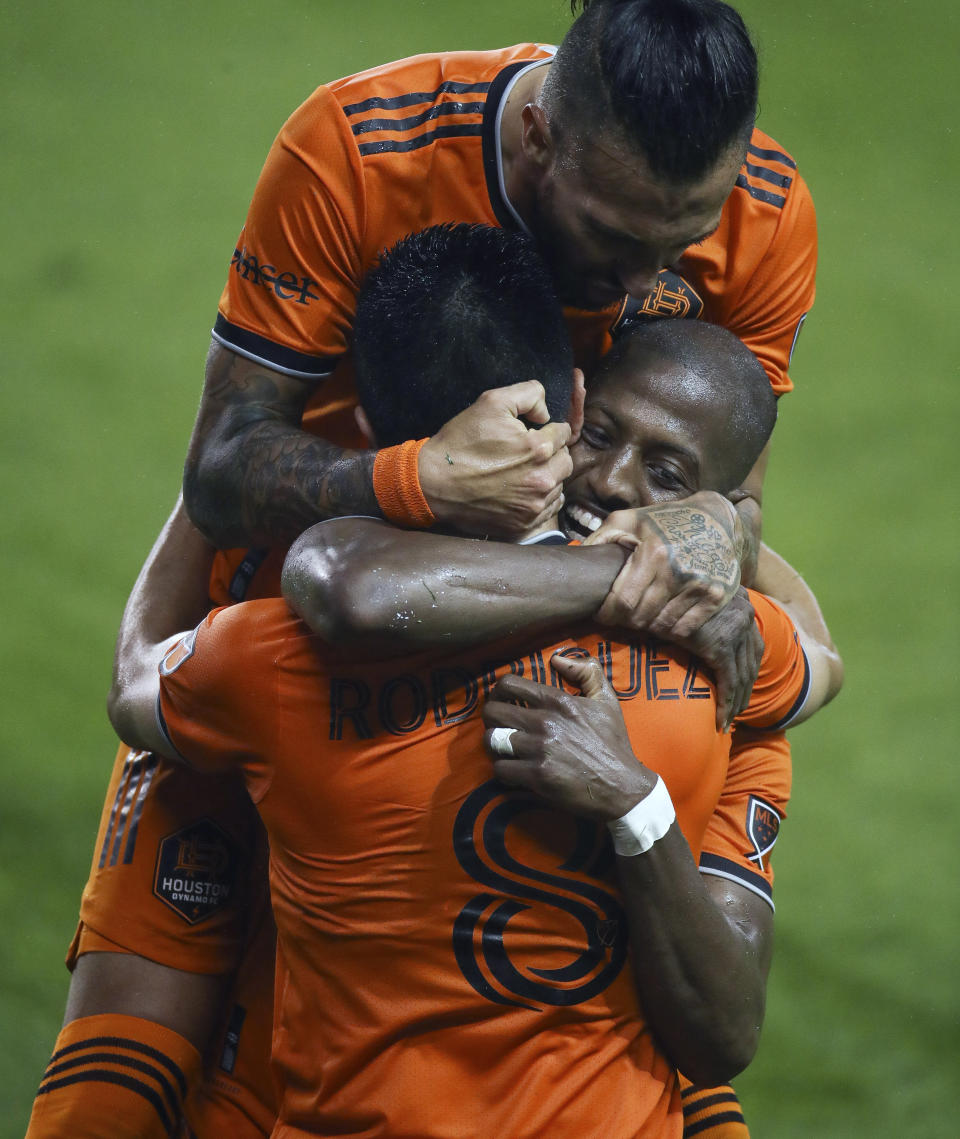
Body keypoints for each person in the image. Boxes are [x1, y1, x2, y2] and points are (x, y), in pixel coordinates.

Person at [92, 227, 835, 1138]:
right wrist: (708, 529)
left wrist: (222, 470)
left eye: (667, 470)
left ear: (367, 425)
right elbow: (818, 655)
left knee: (110, 1095)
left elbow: (139, 675)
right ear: (569, 400)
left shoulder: (272, 659)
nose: (612, 481)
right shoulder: (723, 651)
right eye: (601, 435)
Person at [182, 0, 815, 598]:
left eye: (685, 242)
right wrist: (418, 479)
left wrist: (716, 524)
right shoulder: (355, 156)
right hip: (328, 597)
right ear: (537, 137)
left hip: (586, 630)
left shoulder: (769, 214)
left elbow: (735, 497)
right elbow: (220, 473)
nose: (639, 281)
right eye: (612, 234)